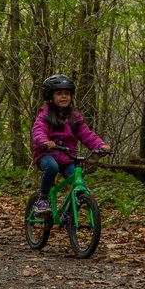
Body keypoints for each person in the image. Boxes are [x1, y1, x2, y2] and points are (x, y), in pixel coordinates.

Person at [30, 74, 111, 215]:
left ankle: (70, 214)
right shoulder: (45, 114)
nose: (64, 97)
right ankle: (43, 199)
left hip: (67, 157)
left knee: (80, 185)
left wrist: (100, 145)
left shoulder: (74, 116)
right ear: (50, 96)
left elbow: (86, 134)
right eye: (59, 93)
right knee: (52, 167)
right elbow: (38, 130)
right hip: (47, 154)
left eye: (67, 93)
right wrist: (44, 142)